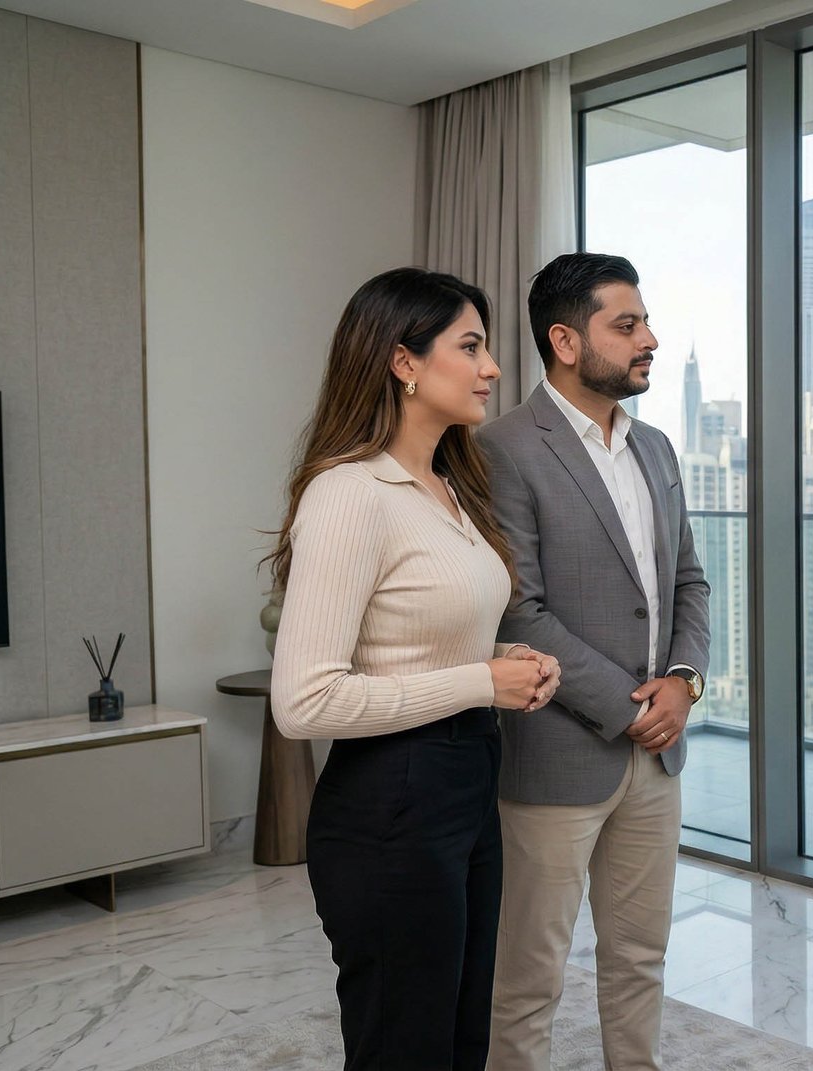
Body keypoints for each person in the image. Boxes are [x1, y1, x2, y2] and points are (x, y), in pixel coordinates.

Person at [268, 267, 561, 1071]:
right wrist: (478, 682)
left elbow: (412, 637)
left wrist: (500, 658)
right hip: (389, 803)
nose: (492, 367)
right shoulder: (350, 492)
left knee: (463, 1035)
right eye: (470, 346)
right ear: (403, 361)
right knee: (406, 1045)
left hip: (465, 782)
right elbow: (303, 701)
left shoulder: (447, 486)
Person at [478, 252, 710, 1071]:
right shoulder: (500, 447)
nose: (649, 338)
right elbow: (517, 608)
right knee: (529, 978)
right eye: (628, 324)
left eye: (644, 321)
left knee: (640, 959)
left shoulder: (657, 448)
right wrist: (631, 704)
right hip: (556, 758)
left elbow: (689, 580)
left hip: (657, 754)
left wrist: (683, 683)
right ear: (566, 341)